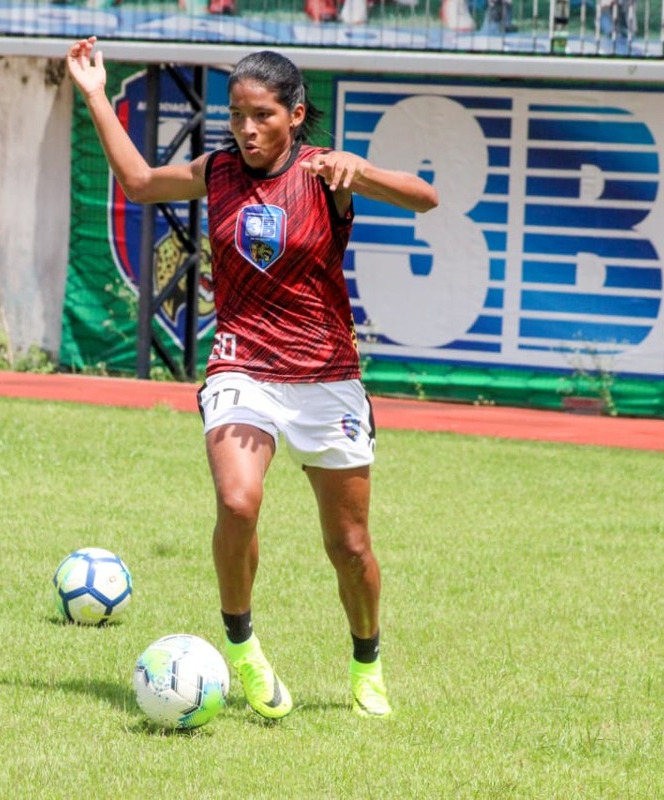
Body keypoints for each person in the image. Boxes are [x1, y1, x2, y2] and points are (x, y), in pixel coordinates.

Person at [67, 37, 438, 719]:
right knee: (238, 502)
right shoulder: (220, 172)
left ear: (295, 114)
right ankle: (240, 645)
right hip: (243, 365)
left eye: (261, 115)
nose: (246, 128)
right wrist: (94, 92)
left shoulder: (325, 174)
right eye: (236, 114)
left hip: (327, 377)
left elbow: (426, 199)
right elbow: (142, 184)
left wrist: (365, 172)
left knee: (349, 546)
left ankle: (367, 663)